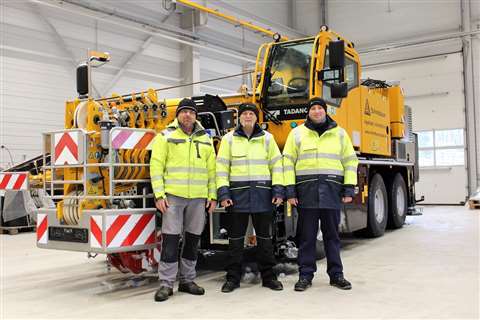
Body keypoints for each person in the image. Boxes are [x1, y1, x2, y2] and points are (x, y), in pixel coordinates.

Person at [283, 97, 358, 291]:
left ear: (326, 111)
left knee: (332, 236)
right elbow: (288, 163)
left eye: (320, 108)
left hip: (331, 192)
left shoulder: (339, 134)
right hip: (306, 193)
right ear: (308, 112)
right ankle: (305, 275)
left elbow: (350, 161)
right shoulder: (297, 133)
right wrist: (290, 191)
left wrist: (349, 188)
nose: (316, 111)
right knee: (306, 237)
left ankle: (336, 275)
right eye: (313, 109)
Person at [150, 98, 217, 302]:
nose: (187, 115)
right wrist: (159, 194)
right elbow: (156, 165)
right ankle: (166, 283)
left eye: (191, 112)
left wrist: (212, 195)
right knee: (170, 239)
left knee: (193, 239)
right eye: (184, 111)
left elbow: (212, 170)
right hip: (173, 197)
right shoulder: (165, 136)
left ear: (196, 116)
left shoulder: (205, 138)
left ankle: (187, 280)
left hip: (198, 198)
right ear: (177, 115)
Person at [216, 103, 284, 293]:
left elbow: (277, 166)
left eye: (251, 114)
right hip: (236, 198)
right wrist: (223, 193)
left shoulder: (268, 139)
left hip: (263, 196)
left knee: (265, 239)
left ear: (256, 118)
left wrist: (278, 191)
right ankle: (232, 278)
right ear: (239, 117)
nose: (247, 116)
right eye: (244, 113)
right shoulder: (228, 139)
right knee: (235, 241)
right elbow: (221, 168)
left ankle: (269, 277)